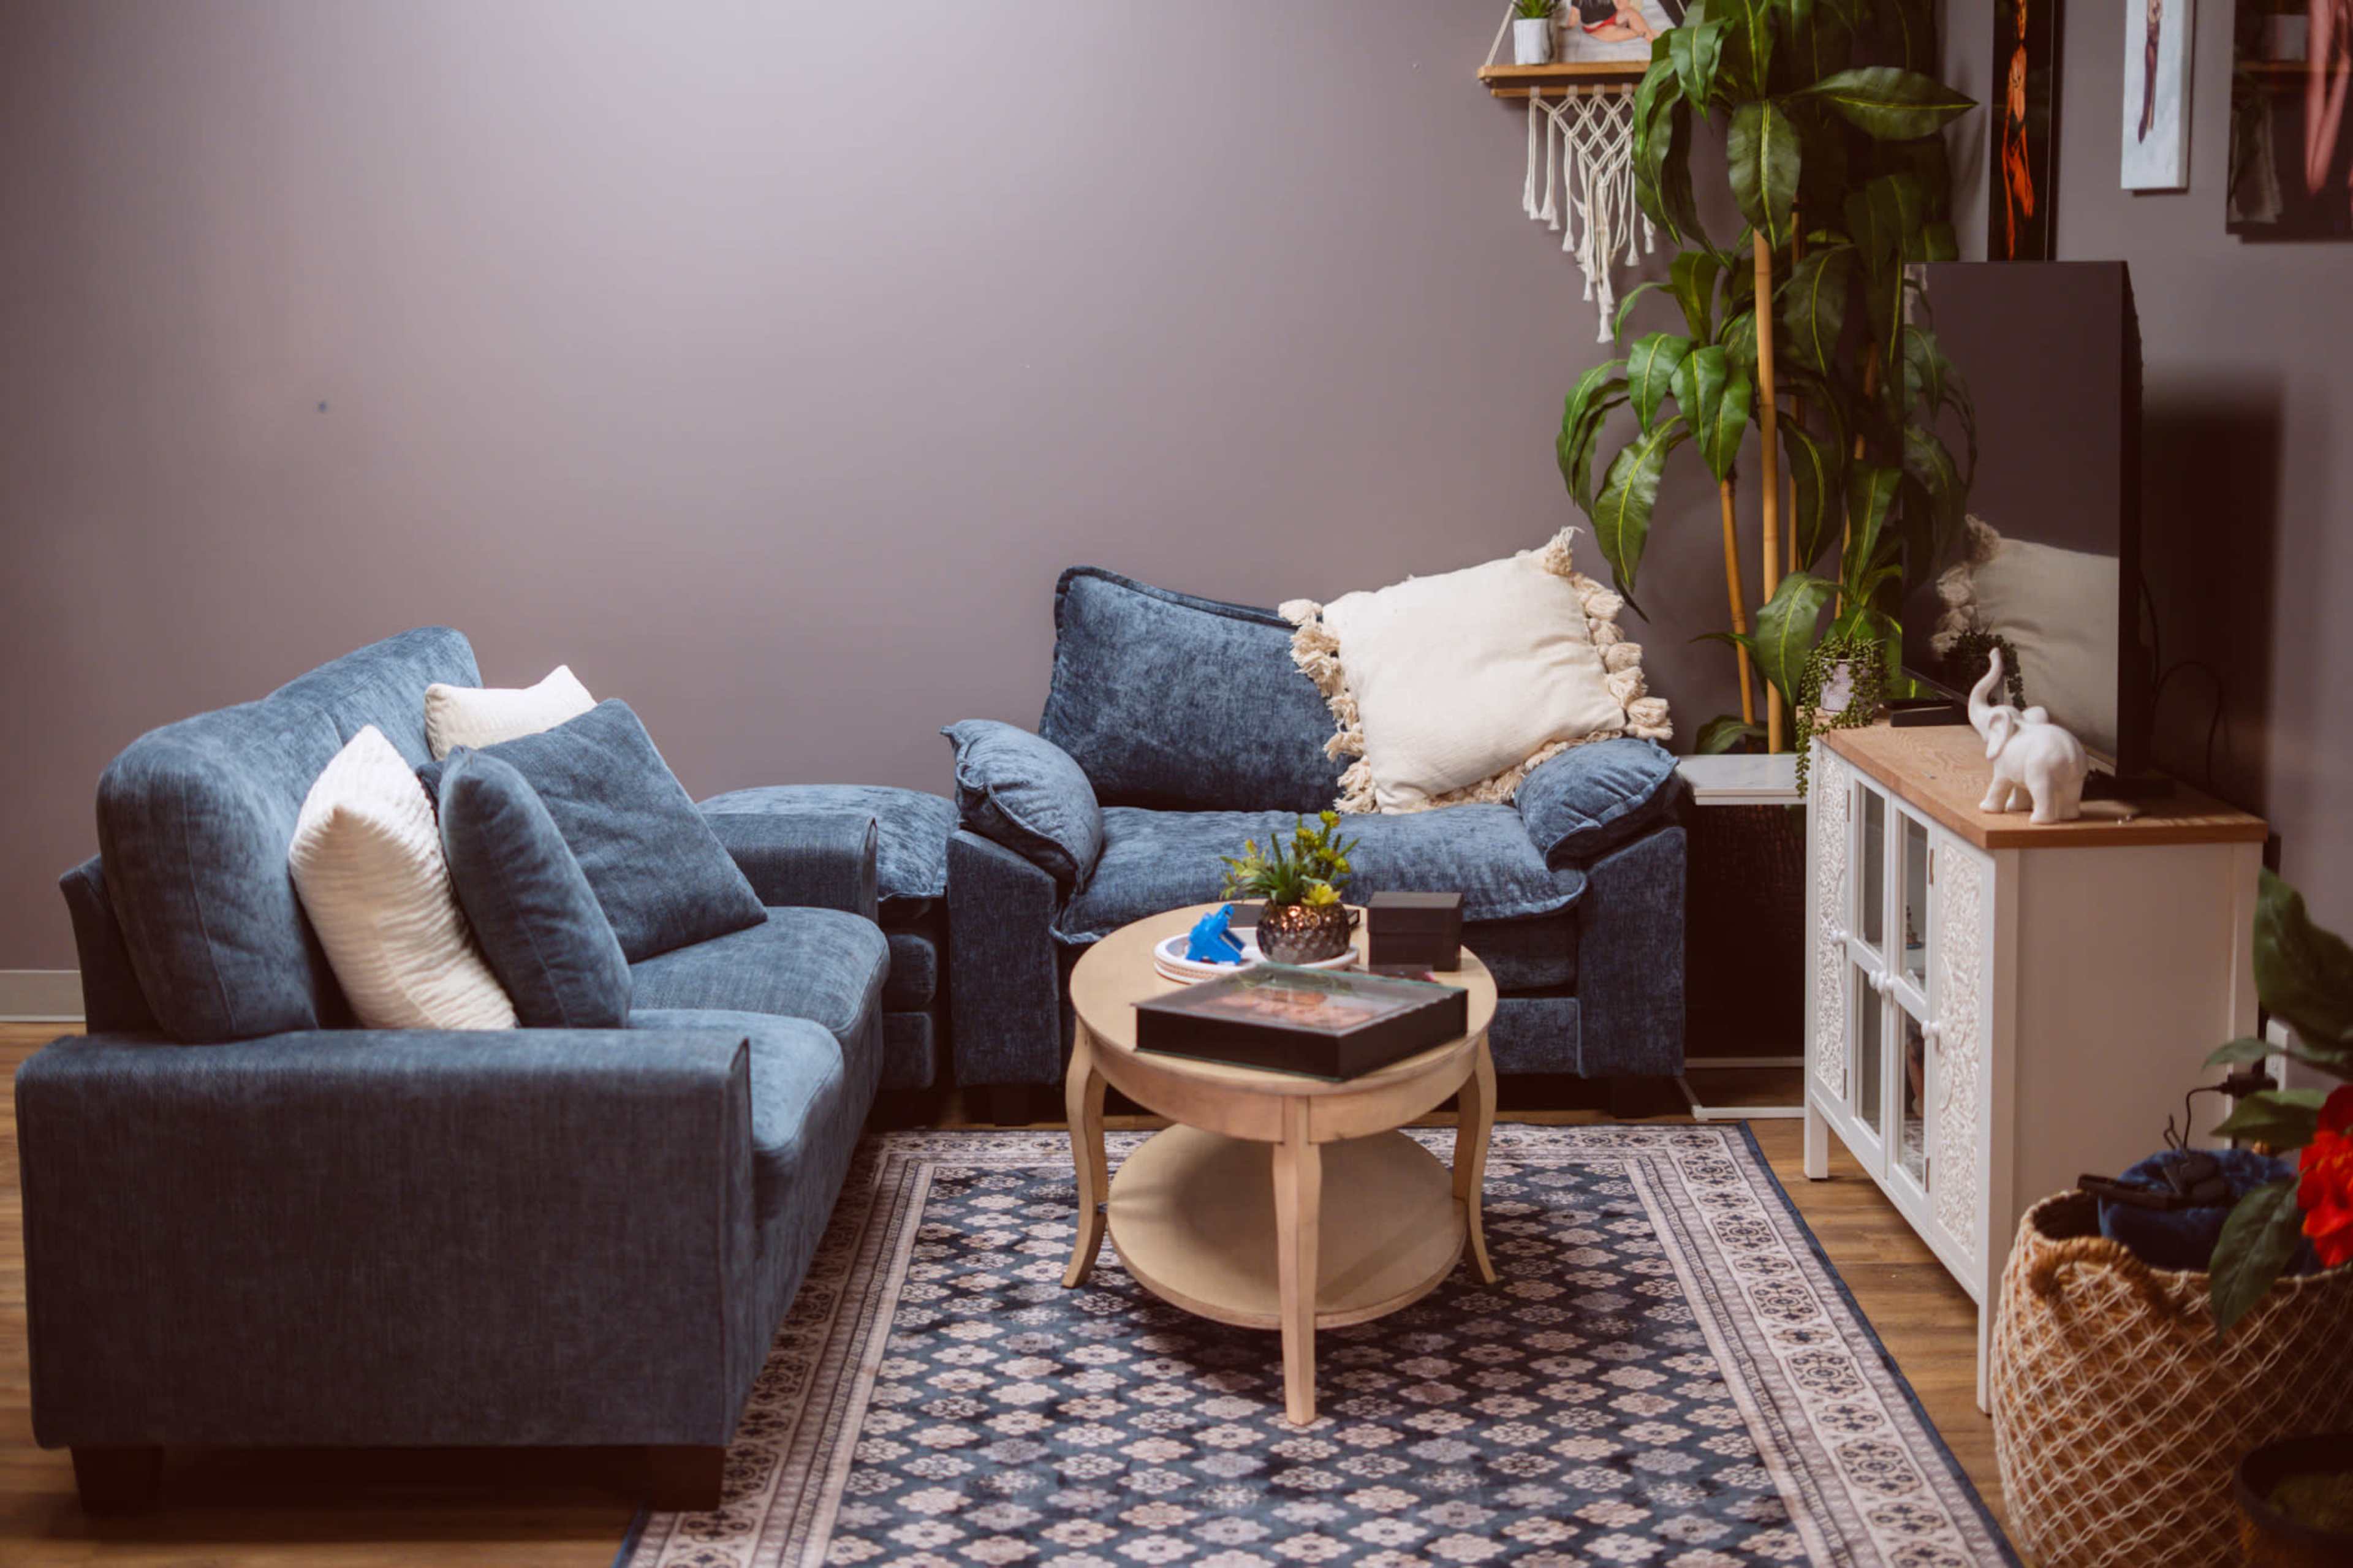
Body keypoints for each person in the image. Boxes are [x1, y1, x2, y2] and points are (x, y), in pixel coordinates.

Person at [2001, 0, 2038, 257]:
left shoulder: (2023, 58)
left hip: (2018, 146)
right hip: (2012, 148)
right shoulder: (2015, 59)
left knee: (2025, 210)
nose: (2020, 20)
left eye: (2024, 13)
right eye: (2018, 13)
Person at [1574, 0, 1657, 45]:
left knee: (1630, 12)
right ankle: (1642, 33)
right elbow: (1574, 16)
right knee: (1609, 31)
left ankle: (1651, 39)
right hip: (1597, 29)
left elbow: (1623, 7)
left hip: (1614, 18)